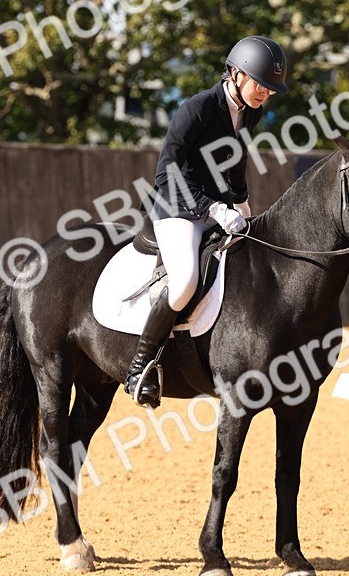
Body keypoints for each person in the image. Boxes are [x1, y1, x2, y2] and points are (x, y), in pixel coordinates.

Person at [124, 35, 289, 407]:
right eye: (261, 85)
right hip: (176, 208)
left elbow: (236, 160)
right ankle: (140, 366)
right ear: (235, 73)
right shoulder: (196, 109)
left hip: (219, 206)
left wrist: (243, 204)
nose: (265, 94)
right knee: (184, 282)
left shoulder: (251, 110)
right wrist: (211, 209)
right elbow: (166, 173)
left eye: (271, 89)